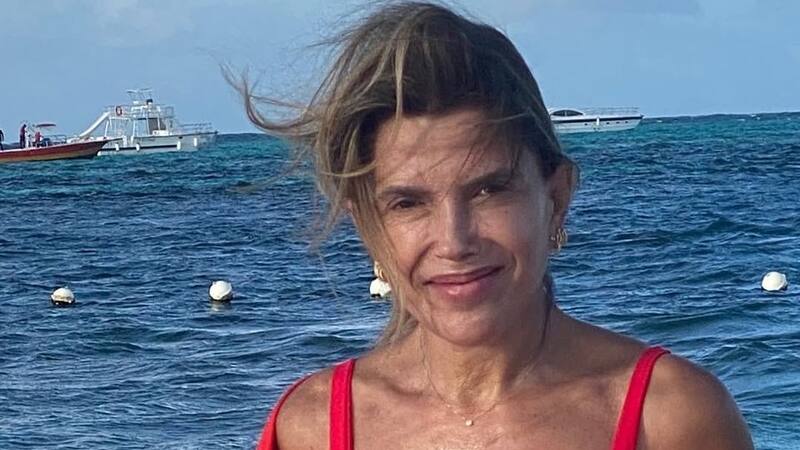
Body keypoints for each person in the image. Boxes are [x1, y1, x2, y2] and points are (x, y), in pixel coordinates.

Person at [243, 2, 753, 449]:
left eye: (489, 191)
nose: (454, 240)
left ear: (556, 198)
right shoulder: (312, 428)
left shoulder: (670, 419)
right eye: (408, 203)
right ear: (369, 227)